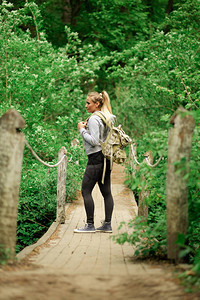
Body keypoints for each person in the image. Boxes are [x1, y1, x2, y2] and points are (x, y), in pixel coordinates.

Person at [74, 91, 115, 233]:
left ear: (97, 104)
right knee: (106, 192)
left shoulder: (94, 119)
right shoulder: (108, 116)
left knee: (85, 191)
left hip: (96, 158)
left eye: (88, 103)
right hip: (107, 158)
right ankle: (107, 225)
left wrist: (81, 130)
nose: (86, 105)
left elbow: (95, 141)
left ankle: (90, 225)